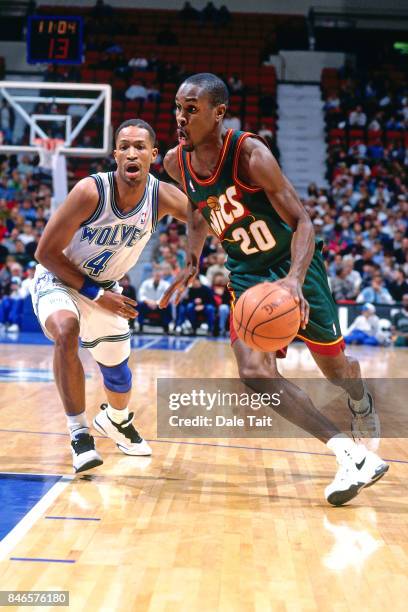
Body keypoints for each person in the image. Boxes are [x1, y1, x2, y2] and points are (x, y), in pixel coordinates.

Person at [160, 73, 388, 506]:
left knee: (337, 370)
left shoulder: (250, 154)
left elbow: (304, 221)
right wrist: (191, 260)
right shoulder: (176, 162)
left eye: (191, 109)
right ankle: (349, 454)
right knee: (253, 373)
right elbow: (197, 210)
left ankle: (360, 400)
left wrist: (294, 282)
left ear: (218, 113)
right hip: (247, 274)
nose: (180, 117)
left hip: (294, 266)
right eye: (177, 107)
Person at [32, 118, 187, 473]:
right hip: (60, 279)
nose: (132, 152)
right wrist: (95, 293)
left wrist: (191, 260)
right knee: (66, 331)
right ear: (115, 153)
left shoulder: (161, 195)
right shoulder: (90, 191)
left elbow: (203, 219)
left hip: (106, 289)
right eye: (125, 146)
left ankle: (115, 420)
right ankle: (79, 433)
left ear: (153, 154)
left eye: (140, 147)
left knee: (118, 378)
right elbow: (45, 253)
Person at [137, 266, 172, 333]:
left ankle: (166, 326)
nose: (157, 275)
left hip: (160, 306)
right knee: (140, 304)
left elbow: (168, 297)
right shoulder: (145, 283)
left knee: (168, 305)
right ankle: (140, 325)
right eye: (156, 274)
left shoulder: (166, 284)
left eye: (159, 274)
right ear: (153, 274)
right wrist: (149, 302)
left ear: (162, 275)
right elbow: (141, 295)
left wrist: (156, 303)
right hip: (148, 305)